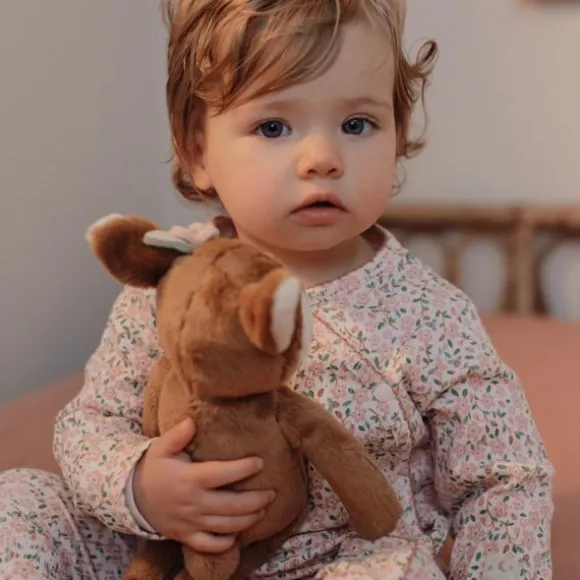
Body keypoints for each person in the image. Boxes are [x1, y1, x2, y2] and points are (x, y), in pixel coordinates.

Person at [0, 0, 554, 578]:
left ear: (396, 138)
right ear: (197, 152)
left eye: (357, 124)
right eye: (273, 127)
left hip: (343, 561)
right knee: (20, 501)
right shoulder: (172, 281)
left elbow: (504, 479)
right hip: (176, 555)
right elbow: (90, 424)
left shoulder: (430, 315)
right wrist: (140, 484)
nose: (322, 159)